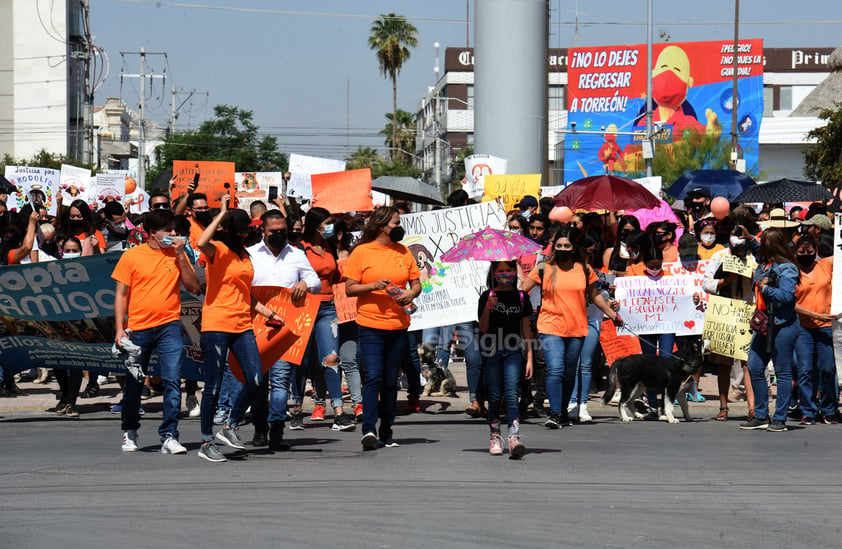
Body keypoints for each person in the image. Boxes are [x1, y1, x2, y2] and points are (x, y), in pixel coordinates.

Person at [196, 196, 282, 462]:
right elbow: (201, 242)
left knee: (256, 378)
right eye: (244, 230)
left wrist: (269, 313)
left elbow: (245, 293)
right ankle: (206, 442)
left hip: (242, 324)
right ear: (234, 231)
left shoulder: (244, 255)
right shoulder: (218, 250)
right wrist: (221, 214)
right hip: (216, 324)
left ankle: (230, 425)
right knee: (213, 385)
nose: (249, 234)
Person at [111, 209, 199, 453]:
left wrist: (181, 255)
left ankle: (169, 435)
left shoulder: (177, 254)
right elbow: (121, 294)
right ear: (152, 233)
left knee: (172, 379)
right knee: (135, 383)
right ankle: (129, 430)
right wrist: (120, 329)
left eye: (174, 230)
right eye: (167, 230)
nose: (173, 234)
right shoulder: (131, 256)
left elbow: (193, 286)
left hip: (169, 325)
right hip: (138, 329)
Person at [521, 226, 621, 428]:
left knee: (568, 373)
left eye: (567, 245)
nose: (562, 249)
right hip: (550, 327)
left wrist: (613, 315)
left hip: (576, 329)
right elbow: (522, 291)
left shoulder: (584, 269)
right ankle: (555, 414)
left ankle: (564, 410)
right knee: (555, 370)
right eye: (559, 245)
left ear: (574, 247)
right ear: (553, 247)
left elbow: (594, 296)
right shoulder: (543, 268)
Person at [345, 206, 421, 450]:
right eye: (396, 224)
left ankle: (387, 431)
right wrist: (374, 285)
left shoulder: (403, 251)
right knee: (374, 377)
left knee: (390, 381)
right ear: (381, 227)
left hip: (398, 325)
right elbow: (350, 288)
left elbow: (417, 283)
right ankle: (368, 429)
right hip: (370, 325)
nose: (399, 227)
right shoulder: (361, 252)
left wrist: (410, 293)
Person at [248, 209, 322, 449]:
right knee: (258, 382)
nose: (278, 235)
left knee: (280, 381)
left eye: (282, 231)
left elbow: (316, 282)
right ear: (263, 231)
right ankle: (260, 428)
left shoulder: (297, 254)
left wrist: (304, 282)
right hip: (256, 327)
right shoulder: (250, 255)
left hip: (286, 327)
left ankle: (277, 429)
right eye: (273, 231)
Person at [740, 229, 800, 432]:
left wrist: (766, 289)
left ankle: (780, 418)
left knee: (782, 372)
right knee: (755, 367)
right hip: (763, 323)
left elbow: (787, 297)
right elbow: (757, 252)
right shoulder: (764, 263)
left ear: (771, 246)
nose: (760, 247)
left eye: (763, 243)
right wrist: (750, 239)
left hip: (783, 324)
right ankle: (760, 414)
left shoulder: (787, 268)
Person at [478, 260, 533, 458]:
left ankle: (513, 436)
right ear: (493, 274)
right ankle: (495, 436)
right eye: (500, 270)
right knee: (494, 395)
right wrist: (488, 308)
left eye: (509, 270)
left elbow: (526, 328)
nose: (505, 273)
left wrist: (529, 357)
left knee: (511, 394)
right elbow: (483, 328)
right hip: (492, 349)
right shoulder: (487, 296)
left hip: (513, 350)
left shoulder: (521, 296)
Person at [792, 235, 838, 425]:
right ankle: (808, 410)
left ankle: (828, 409)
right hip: (803, 327)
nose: (806, 255)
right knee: (804, 370)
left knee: (828, 368)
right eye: (802, 252)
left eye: (810, 252)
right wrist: (817, 315)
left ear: (816, 251)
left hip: (826, 327)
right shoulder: (792, 272)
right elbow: (791, 303)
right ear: (795, 253)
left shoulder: (824, 265)